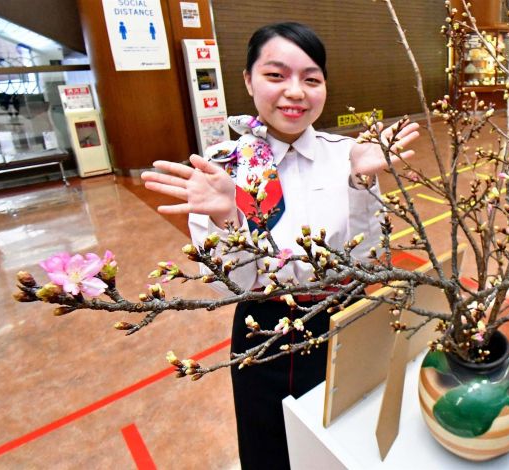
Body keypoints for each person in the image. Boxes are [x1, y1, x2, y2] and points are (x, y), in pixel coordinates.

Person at [141, 22, 419, 469]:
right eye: (276, 75)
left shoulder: (348, 154)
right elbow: (234, 288)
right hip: (266, 325)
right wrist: (225, 217)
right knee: (269, 446)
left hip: (348, 314)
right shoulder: (222, 168)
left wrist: (363, 182)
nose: (296, 92)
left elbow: (370, 258)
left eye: (311, 79)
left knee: (349, 436)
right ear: (248, 80)